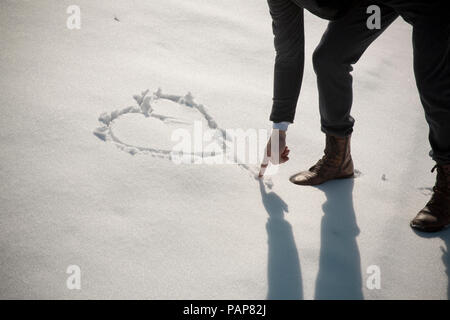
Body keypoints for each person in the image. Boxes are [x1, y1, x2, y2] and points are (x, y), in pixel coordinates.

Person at [263, 0, 450, 232]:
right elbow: (288, 53)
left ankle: (448, 180)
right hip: (377, 4)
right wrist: (279, 129)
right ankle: (338, 158)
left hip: (429, 7)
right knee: (330, 58)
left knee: (434, 85)